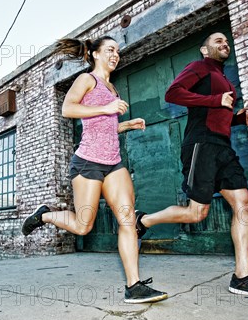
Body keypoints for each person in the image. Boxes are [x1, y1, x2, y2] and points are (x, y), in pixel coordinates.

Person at [135, 32, 248, 300]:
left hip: (223, 147)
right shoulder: (199, 67)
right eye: (217, 41)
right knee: (197, 213)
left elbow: (217, 116)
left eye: (226, 41)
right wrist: (216, 101)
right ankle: (143, 220)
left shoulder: (224, 79)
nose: (224, 44)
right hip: (200, 146)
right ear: (204, 50)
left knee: (244, 205)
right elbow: (173, 93)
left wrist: (237, 118)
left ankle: (242, 277)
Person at [22, 35, 168, 304]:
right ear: (96, 54)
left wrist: (125, 125)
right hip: (87, 161)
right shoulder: (87, 80)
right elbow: (68, 109)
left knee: (127, 221)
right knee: (82, 226)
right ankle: (44, 216)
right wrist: (107, 107)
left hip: (113, 162)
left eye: (118, 51)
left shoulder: (113, 89)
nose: (116, 55)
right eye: (110, 50)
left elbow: (102, 125)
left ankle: (133, 285)